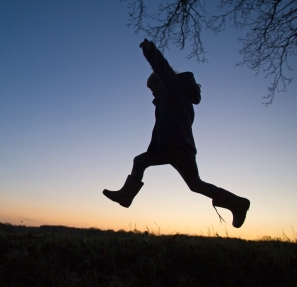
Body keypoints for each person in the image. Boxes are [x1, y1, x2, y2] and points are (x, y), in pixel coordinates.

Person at [102, 39, 250, 228]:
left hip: (176, 145)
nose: (153, 93)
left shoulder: (174, 90)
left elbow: (162, 68)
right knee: (195, 184)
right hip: (175, 146)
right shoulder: (175, 100)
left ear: (162, 83)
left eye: (154, 88)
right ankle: (238, 203)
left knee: (142, 162)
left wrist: (150, 51)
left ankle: (126, 196)